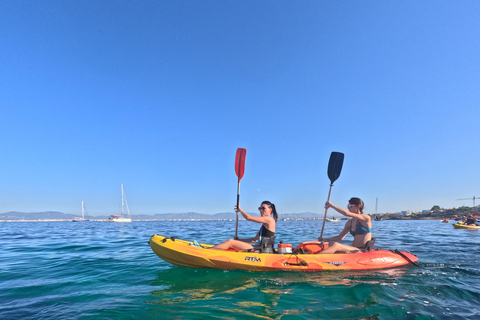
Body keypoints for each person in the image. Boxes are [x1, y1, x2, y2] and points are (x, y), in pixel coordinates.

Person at [210, 201, 278, 251]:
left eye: (263, 208)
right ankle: (212, 250)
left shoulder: (270, 220)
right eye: (260, 208)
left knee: (230, 242)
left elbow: (248, 217)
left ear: (270, 209)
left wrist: (240, 210)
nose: (261, 210)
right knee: (232, 245)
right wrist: (239, 240)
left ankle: (208, 252)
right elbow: (254, 240)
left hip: (261, 251)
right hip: (259, 248)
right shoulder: (264, 225)